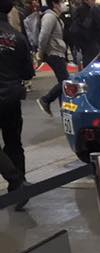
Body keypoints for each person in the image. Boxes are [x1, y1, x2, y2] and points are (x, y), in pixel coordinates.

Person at [0, 0, 33, 209]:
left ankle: (16, 180)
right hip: (12, 96)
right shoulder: (18, 37)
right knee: (13, 142)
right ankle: (19, 189)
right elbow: (28, 72)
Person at [35, 0, 68, 116]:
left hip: (57, 52)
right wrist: (40, 52)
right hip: (53, 52)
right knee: (65, 81)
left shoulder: (55, 17)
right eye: (61, 2)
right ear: (54, 4)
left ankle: (63, 109)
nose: (64, 4)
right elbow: (43, 36)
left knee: (62, 81)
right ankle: (46, 99)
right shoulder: (49, 16)